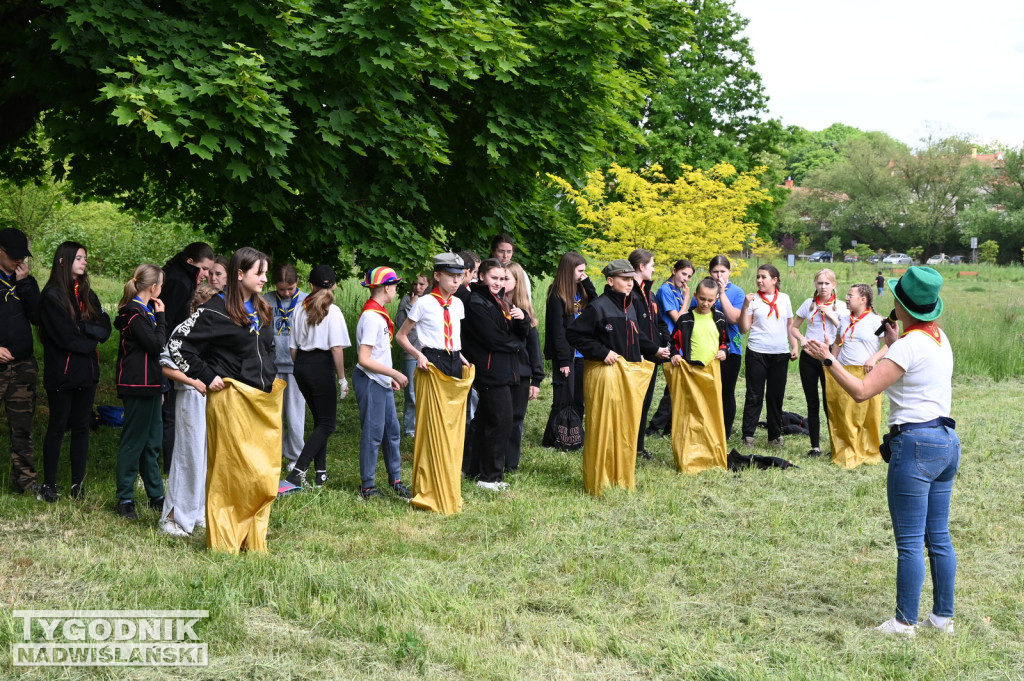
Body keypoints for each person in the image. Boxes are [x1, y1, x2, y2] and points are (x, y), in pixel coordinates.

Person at [805, 267, 959, 636]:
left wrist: (829, 359)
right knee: (937, 536)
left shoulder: (907, 345)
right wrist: (893, 339)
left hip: (915, 444)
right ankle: (942, 618)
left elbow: (862, 390)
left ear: (900, 305)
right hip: (946, 442)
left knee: (908, 542)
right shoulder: (939, 338)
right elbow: (898, 361)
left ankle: (904, 621)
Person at [167, 247, 282, 553]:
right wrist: (205, 374)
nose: (265, 278)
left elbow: (267, 351)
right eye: (259, 273)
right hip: (230, 401)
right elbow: (177, 344)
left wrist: (269, 381)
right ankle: (226, 540)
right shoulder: (215, 310)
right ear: (240, 274)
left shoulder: (263, 309)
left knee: (262, 474)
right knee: (233, 473)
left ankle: (251, 536)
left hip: (261, 402)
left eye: (266, 272)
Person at [567, 259, 660, 495]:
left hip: (627, 377)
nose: (629, 284)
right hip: (604, 375)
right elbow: (575, 335)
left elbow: (636, 339)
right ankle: (599, 481)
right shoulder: (598, 307)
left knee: (624, 427)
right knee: (603, 428)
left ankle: (620, 477)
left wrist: (656, 350)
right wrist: (602, 352)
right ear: (610, 281)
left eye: (631, 279)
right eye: (624, 279)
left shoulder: (630, 307)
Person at [35, 241, 111, 503]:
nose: (84, 262)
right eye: (79, 258)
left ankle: (77, 484)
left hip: (87, 372)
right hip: (63, 373)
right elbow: (65, 336)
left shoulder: (87, 293)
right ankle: (49, 484)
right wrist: (90, 336)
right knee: (57, 426)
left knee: (81, 427)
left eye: (85, 258)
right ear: (63, 260)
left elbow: (105, 327)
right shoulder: (52, 295)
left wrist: (85, 329)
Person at [278, 265, 351, 494]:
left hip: (300, 365)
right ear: (335, 285)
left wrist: (302, 366)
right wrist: (342, 379)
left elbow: (292, 347)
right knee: (328, 423)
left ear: (310, 285)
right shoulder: (334, 311)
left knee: (320, 419)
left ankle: (320, 472)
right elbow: (337, 348)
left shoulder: (299, 308)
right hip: (321, 365)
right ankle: (297, 473)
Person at [462, 259, 530, 490]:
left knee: (484, 419)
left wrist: (524, 319)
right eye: (494, 278)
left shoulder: (500, 301)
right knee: (501, 421)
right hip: (490, 370)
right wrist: (514, 344)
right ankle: (490, 476)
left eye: (502, 279)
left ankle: (472, 469)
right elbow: (491, 338)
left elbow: (518, 333)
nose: (498, 283)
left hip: (506, 369)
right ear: (481, 276)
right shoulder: (476, 302)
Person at [159, 283, 218, 537]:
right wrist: (195, 381)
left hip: (212, 398)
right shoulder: (185, 330)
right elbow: (166, 365)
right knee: (188, 455)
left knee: (207, 456)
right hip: (191, 396)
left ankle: (198, 512)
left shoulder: (217, 330)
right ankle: (173, 516)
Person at [112, 264, 167, 520]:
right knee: (134, 442)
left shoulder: (145, 313)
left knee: (152, 442)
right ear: (153, 287)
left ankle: (156, 493)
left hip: (153, 385)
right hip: (137, 385)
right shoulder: (134, 314)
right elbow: (156, 346)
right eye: (161, 285)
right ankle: (125, 497)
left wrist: (161, 387)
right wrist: (162, 317)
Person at [353, 266, 411, 500]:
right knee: (373, 433)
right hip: (369, 380)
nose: (396, 290)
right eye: (395, 285)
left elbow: (377, 354)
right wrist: (394, 373)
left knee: (392, 431)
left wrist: (388, 378)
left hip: (381, 380)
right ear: (386, 287)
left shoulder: (379, 315)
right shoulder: (371, 318)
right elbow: (364, 359)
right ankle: (367, 486)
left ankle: (395, 479)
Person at [664, 277, 729, 472]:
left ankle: (711, 452)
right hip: (690, 374)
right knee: (690, 413)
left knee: (710, 412)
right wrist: (675, 355)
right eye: (702, 299)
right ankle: (689, 453)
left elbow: (724, 341)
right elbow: (673, 342)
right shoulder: (685, 319)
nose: (706, 303)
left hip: (711, 374)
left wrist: (724, 351)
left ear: (716, 298)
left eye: (710, 300)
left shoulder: (720, 319)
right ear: (695, 296)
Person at [161, 242, 215, 475]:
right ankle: (169, 468)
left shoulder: (182, 278)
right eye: (203, 269)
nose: (206, 275)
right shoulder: (178, 282)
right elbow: (168, 322)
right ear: (190, 263)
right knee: (170, 417)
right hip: (170, 356)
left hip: (179, 355)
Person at [823, 283, 885, 469]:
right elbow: (837, 343)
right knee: (845, 414)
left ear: (863, 300)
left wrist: (874, 358)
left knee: (868, 415)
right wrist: (831, 363)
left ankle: (868, 451)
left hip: (867, 372)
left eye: (850, 295)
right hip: (844, 370)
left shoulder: (876, 321)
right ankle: (846, 452)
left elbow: (890, 344)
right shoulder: (844, 319)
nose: (847, 298)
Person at [0, 227, 41, 495]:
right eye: (13, 255)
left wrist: (25, 284)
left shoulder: (25, 280)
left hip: (23, 364)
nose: (19, 260)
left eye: (21, 255)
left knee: (22, 428)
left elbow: (38, 317)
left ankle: (25, 482)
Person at [790, 268, 847, 457]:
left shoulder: (840, 306)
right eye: (820, 283)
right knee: (812, 402)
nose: (823, 287)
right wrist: (802, 340)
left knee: (829, 401)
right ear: (815, 284)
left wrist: (830, 315)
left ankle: (834, 445)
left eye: (827, 283)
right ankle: (815, 446)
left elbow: (845, 332)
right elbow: (794, 328)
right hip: (809, 355)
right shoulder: (809, 304)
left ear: (833, 285)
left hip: (829, 356)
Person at [739, 263, 797, 448]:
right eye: (758, 277)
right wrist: (745, 305)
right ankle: (748, 435)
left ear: (775, 280)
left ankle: (774, 435)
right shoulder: (752, 299)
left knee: (775, 395)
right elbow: (743, 328)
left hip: (780, 353)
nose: (759, 280)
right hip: (757, 351)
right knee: (754, 395)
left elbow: (790, 326)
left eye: (763, 277)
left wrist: (794, 345)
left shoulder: (785, 299)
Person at [628, 249, 671, 460]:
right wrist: (654, 348)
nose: (654, 268)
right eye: (651, 264)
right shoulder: (630, 294)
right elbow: (635, 330)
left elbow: (658, 323)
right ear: (641, 266)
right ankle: (629, 446)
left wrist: (667, 343)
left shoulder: (650, 293)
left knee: (645, 402)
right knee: (635, 403)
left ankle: (638, 447)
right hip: (637, 356)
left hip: (653, 356)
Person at [396, 253, 469, 379]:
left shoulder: (458, 304)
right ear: (437, 276)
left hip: (455, 359)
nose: (456, 281)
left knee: (456, 398)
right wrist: (419, 355)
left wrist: (459, 355)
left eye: (459, 276)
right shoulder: (423, 303)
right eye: (451, 275)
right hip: (432, 360)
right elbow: (400, 335)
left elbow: (452, 336)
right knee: (433, 399)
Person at [543, 251, 596, 423]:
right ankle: (556, 435)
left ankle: (575, 432)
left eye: (584, 271)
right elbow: (557, 330)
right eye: (580, 271)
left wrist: (587, 283)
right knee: (564, 396)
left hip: (582, 352)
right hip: (566, 354)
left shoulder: (581, 289)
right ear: (568, 270)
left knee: (579, 397)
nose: (583, 275)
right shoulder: (557, 294)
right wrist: (564, 360)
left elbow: (597, 306)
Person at [264, 263, 307, 468]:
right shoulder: (266, 300)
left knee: (295, 413)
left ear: (297, 282)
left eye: (290, 289)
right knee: (272, 412)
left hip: (297, 366)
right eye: (282, 289)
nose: (286, 293)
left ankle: (295, 456)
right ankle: (273, 452)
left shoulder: (306, 300)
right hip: (272, 366)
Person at [648, 259, 695, 437]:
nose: (686, 279)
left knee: (675, 386)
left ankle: (668, 425)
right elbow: (678, 319)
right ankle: (655, 426)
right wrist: (687, 299)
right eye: (684, 274)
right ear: (674, 271)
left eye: (689, 276)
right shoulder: (665, 290)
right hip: (665, 340)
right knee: (673, 385)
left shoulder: (679, 290)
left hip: (677, 341)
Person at [504, 262, 544, 472]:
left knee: (516, 418)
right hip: (500, 372)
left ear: (517, 282)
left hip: (521, 373)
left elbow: (534, 348)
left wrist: (536, 379)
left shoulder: (525, 311)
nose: (502, 282)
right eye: (499, 278)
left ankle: (511, 462)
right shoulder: (493, 305)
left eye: (506, 278)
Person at [707, 255, 745, 439]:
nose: (719, 275)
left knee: (726, 391)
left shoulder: (737, 292)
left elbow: (734, 319)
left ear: (729, 272)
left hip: (731, 349)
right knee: (707, 391)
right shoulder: (704, 288)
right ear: (709, 272)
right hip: (706, 347)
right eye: (715, 271)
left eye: (723, 271)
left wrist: (721, 293)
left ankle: (725, 432)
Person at [395, 273, 429, 437]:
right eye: (415, 284)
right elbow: (400, 324)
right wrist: (411, 306)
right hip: (410, 353)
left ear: (428, 284)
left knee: (428, 391)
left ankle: (426, 426)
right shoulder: (406, 300)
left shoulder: (430, 300)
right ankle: (410, 429)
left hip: (428, 352)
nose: (418, 287)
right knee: (411, 392)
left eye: (422, 284)